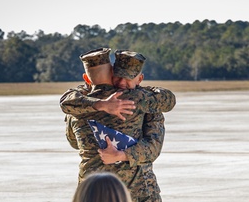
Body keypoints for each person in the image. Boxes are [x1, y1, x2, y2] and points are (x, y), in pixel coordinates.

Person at [60, 48, 175, 202]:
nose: (121, 84)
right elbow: (152, 148)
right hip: (137, 192)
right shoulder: (142, 101)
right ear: (111, 73)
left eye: (127, 79)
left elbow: (74, 142)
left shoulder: (76, 105)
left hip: (91, 191)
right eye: (117, 77)